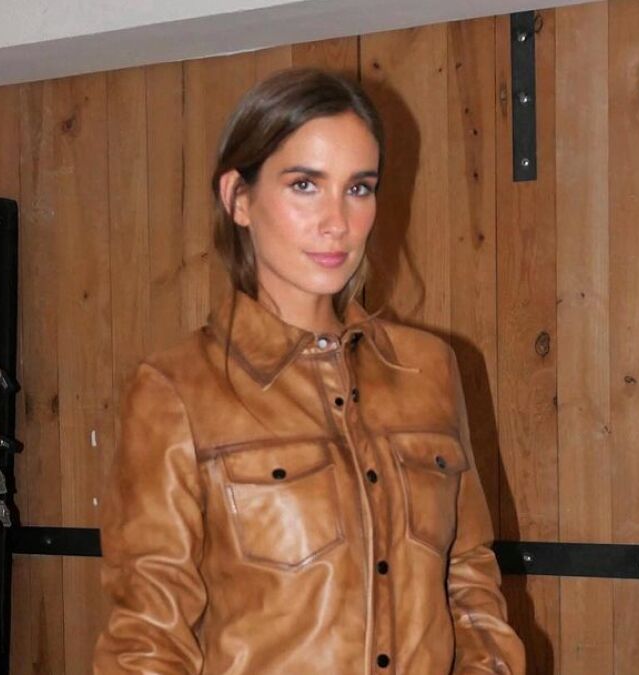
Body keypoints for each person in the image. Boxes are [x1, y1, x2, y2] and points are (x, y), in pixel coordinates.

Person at [93, 67, 526, 674]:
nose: (337, 222)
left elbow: (470, 579)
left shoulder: (428, 369)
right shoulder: (177, 390)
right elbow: (148, 640)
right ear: (238, 199)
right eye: (305, 185)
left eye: (358, 188)